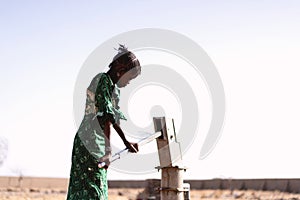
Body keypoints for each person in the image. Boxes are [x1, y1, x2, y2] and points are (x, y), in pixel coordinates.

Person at [67, 45, 141, 200]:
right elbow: (106, 118)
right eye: (129, 78)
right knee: (91, 190)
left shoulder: (115, 90)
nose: (128, 83)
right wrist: (109, 151)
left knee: (98, 188)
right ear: (121, 71)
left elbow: (114, 119)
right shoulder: (102, 80)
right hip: (89, 140)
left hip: (99, 141)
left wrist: (127, 142)